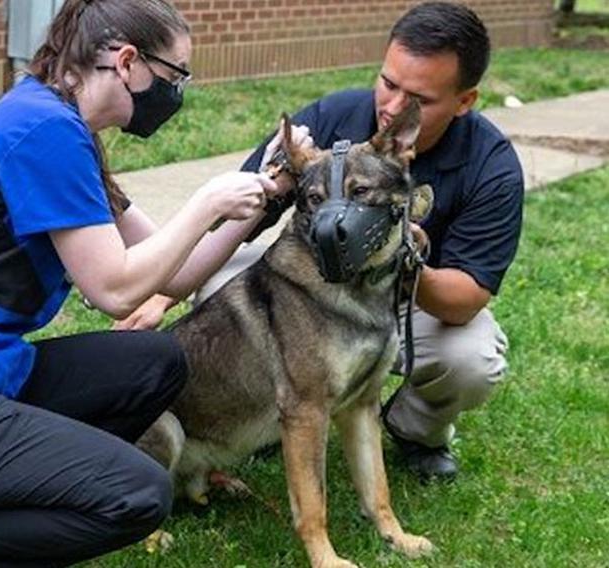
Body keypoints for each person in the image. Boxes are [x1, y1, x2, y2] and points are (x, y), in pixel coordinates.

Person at [0, 1, 311, 566]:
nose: (177, 93)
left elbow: (173, 271)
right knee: (138, 494)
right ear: (127, 62)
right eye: (175, 76)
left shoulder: (64, 127)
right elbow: (116, 290)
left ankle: (10, 499)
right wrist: (205, 203)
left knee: (156, 361)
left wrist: (264, 197)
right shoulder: (43, 128)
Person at [119, 1, 524, 482]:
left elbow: (464, 300)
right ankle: (269, 417)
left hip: (406, 299)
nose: (392, 108)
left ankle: (415, 429)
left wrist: (400, 253)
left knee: (471, 359)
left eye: (417, 99)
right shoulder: (333, 118)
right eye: (388, 83)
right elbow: (240, 215)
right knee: (220, 291)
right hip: (312, 287)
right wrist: (167, 291)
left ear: (464, 101)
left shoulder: (491, 167)